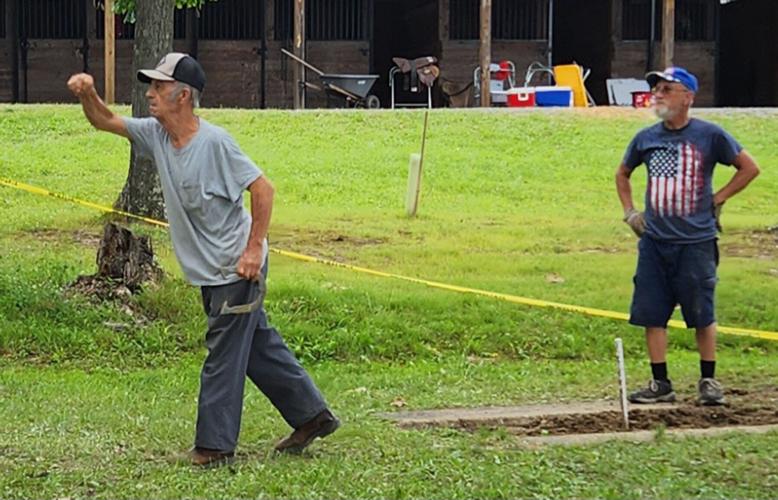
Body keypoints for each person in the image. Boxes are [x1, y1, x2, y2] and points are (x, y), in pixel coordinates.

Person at [67, 53, 339, 467]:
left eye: (159, 87)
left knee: (224, 354)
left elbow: (263, 190)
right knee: (255, 347)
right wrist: (88, 93)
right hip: (210, 270)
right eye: (151, 86)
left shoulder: (215, 143)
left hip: (235, 267)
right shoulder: (157, 135)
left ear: (184, 95)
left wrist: (253, 251)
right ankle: (313, 416)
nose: (150, 94)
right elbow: (105, 120)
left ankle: (214, 448)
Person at [615, 67, 760, 406]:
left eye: (667, 89)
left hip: (696, 241)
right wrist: (630, 212)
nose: (658, 95)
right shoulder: (646, 138)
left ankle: (708, 380)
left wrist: (718, 198)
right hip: (654, 242)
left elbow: (750, 167)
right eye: (657, 89)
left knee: (701, 312)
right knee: (652, 312)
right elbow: (623, 173)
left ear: (688, 97)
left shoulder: (710, 136)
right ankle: (660, 383)